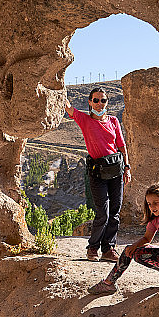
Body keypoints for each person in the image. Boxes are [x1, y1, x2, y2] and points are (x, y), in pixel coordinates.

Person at [65, 87, 131, 262]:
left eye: (103, 100)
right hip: (97, 172)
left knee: (115, 211)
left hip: (116, 170)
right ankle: (92, 248)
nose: (99, 104)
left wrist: (127, 167)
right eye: (96, 100)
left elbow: (122, 146)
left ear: (107, 102)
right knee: (103, 212)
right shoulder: (85, 120)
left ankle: (108, 249)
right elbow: (69, 108)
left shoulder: (113, 121)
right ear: (89, 102)